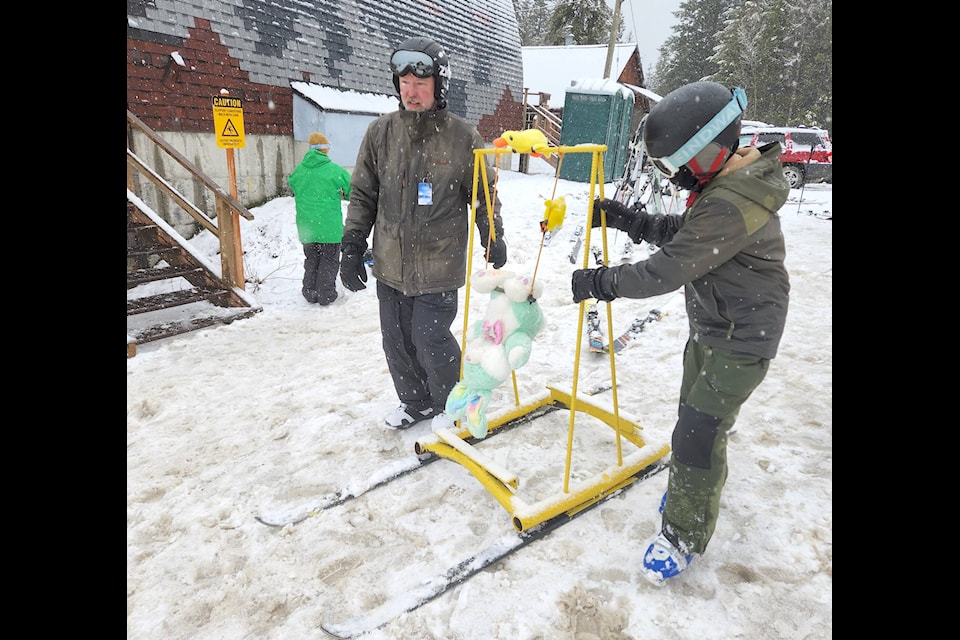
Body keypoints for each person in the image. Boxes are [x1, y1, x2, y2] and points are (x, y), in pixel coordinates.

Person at [570, 81, 790, 584]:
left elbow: (666, 271)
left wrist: (601, 283)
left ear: (708, 151)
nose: (674, 179)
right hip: (718, 325)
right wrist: (633, 221)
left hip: (742, 337)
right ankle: (697, 483)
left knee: (698, 431)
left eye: (675, 167)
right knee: (695, 420)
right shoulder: (725, 187)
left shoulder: (731, 201)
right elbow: (686, 236)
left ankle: (684, 532)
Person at [339, 36, 507, 432]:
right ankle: (415, 402)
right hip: (391, 263)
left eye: (421, 85)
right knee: (396, 341)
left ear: (439, 86)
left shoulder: (462, 137)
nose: (412, 93)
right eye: (405, 84)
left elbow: (484, 193)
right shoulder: (380, 133)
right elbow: (364, 193)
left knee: (430, 338)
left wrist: (492, 233)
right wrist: (351, 244)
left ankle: (452, 405)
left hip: (439, 263)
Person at [287, 132, 352, 305]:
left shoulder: (299, 170)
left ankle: (309, 291)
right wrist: (343, 196)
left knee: (312, 258)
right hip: (329, 226)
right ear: (325, 149)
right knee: (329, 260)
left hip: (307, 226)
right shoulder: (335, 170)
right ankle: (326, 294)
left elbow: (292, 183)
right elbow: (352, 189)